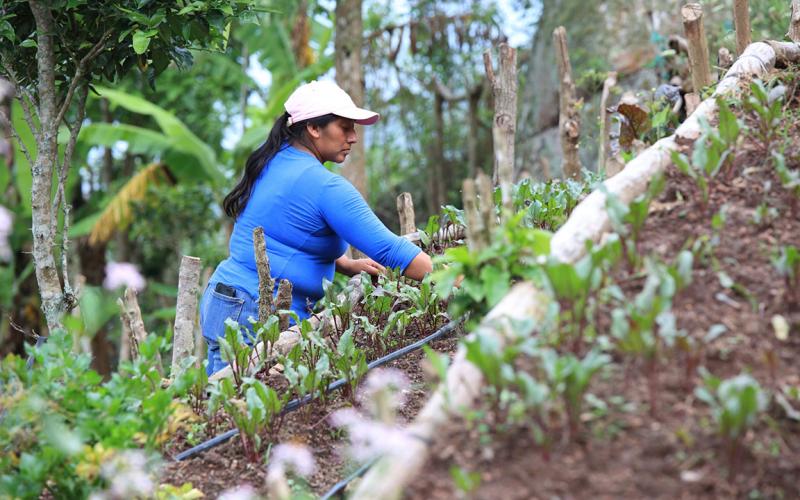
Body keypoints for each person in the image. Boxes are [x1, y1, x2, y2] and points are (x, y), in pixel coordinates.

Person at [200, 80, 433, 375]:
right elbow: (389, 249)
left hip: (228, 299)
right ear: (313, 128)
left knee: (220, 403)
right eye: (345, 127)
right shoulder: (324, 186)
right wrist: (456, 277)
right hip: (252, 311)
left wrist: (346, 264)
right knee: (236, 410)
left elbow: (287, 229)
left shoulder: (274, 161)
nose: (353, 137)